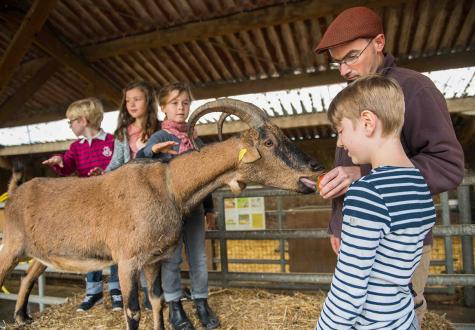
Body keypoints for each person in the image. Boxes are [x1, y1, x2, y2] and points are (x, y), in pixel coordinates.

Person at [314, 6, 465, 326]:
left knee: (398, 305)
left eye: (351, 56)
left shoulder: (414, 89)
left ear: (379, 42)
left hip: (398, 242)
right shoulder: (354, 96)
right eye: (337, 61)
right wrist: (338, 223)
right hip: (358, 233)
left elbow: (449, 165)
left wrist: (362, 176)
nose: (343, 70)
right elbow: (351, 162)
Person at [316, 74, 436, 330]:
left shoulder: (367, 192)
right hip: (403, 320)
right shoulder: (419, 185)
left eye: (341, 130)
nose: (339, 142)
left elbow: (349, 289)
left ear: (367, 122)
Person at [139, 82, 220, 330]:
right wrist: (152, 150)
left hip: (194, 209)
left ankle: (201, 303)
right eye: (174, 103)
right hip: (169, 212)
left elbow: (206, 177)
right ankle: (174, 307)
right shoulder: (161, 136)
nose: (181, 107)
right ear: (163, 107)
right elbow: (138, 161)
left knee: (198, 258)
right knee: (171, 260)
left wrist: (209, 209)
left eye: (185, 102)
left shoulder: (195, 140)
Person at [42, 97, 123, 312]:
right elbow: (68, 166)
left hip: (112, 204)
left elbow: (122, 167)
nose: (70, 126)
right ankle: (93, 291)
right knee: (89, 246)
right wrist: (60, 162)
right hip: (87, 208)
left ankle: (117, 290)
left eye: (72, 121)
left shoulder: (112, 142)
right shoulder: (75, 147)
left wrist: (105, 174)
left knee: (114, 245)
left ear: (84, 120)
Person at [92, 80, 162, 310]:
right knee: (132, 248)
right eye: (128, 100)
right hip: (130, 198)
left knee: (153, 249)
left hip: (154, 195)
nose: (131, 104)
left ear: (148, 101)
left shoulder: (160, 129)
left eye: (137, 99)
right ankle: (134, 295)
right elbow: (117, 162)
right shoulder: (123, 132)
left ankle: (153, 294)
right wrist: (103, 173)